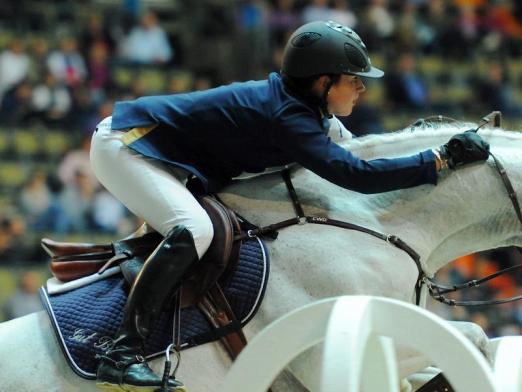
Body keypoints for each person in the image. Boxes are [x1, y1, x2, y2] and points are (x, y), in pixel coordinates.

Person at [89, 20, 490, 391]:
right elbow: (359, 175)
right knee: (196, 229)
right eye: (353, 80)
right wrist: (439, 159)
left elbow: (362, 155)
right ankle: (121, 353)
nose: (361, 89)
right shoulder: (289, 118)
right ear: (322, 82)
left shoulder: (309, 113)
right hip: (128, 145)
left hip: (165, 157)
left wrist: (432, 156)